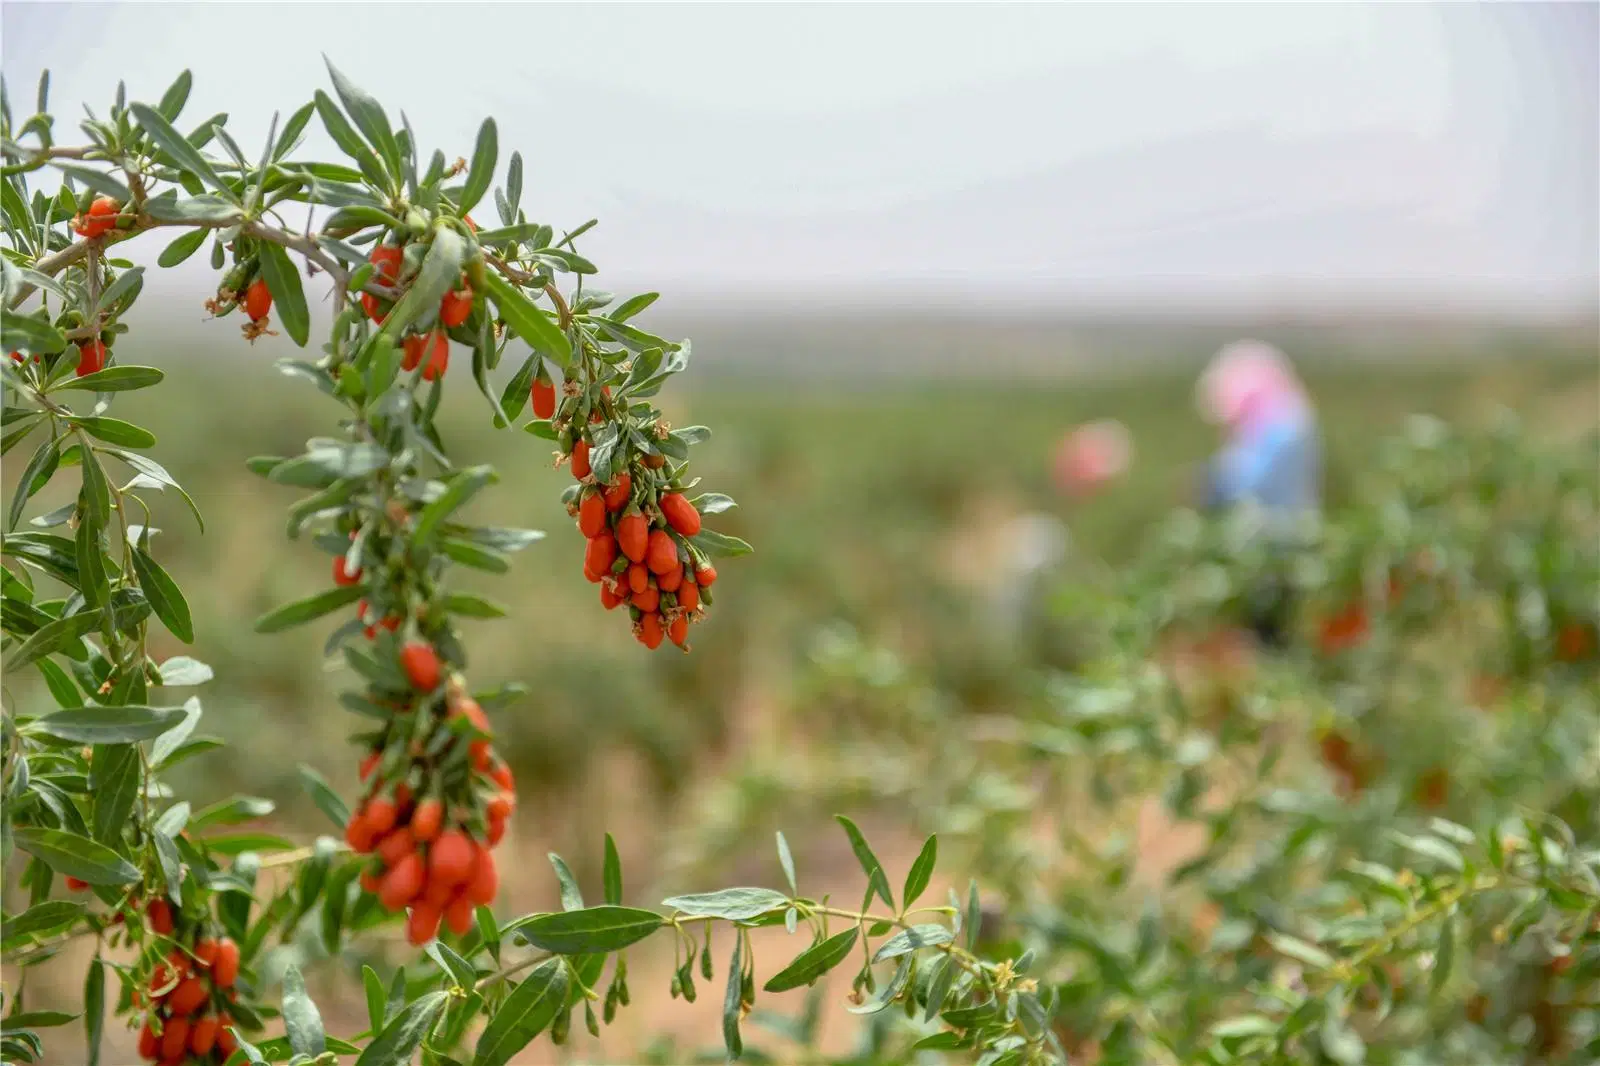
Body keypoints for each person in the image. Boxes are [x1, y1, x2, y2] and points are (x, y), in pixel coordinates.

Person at [1193, 340, 1322, 646]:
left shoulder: (1284, 426)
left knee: (1271, 629)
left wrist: (1211, 480)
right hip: (1272, 544)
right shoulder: (1284, 422)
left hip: (1277, 546)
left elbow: (1248, 482)